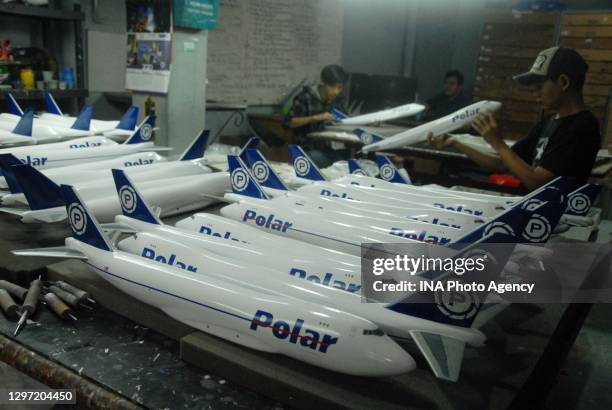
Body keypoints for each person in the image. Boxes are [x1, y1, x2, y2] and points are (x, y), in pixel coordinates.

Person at [429, 47, 601, 191]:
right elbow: (500, 163)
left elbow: (536, 182)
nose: (535, 92)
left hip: (556, 220)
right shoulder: (549, 122)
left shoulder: (581, 127)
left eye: (539, 86)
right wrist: (455, 142)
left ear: (563, 82)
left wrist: (497, 142)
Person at [283, 64, 348, 166]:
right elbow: (288, 122)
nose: (336, 92)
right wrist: (315, 118)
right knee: (316, 157)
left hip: (331, 149)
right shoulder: (305, 97)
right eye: (332, 87)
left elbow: (346, 121)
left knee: (346, 162)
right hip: (308, 150)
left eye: (339, 88)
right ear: (322, 82)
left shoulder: (337, 101)